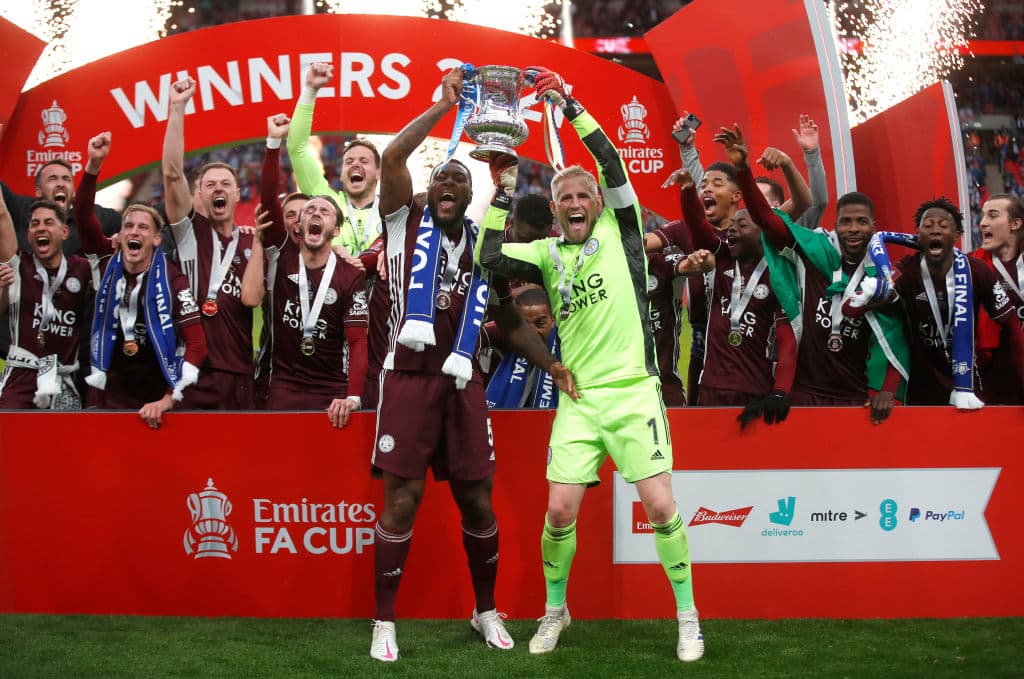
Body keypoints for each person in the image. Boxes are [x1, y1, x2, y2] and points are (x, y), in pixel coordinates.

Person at [478, 68, 704, 662]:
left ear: (598, 204)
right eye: (565, 198)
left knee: (660, 507)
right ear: (554, 211)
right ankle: (556, 612)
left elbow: (609, 160)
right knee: (558, 511)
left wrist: (570, 103)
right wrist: (501, 191)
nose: (575, 202)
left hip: (633, 392)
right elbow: (489, 255)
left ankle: (688, 617)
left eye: (583, 195)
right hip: (579, 400)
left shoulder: (620, 232)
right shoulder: (550, 253)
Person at [368, 67, 573, 662]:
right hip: (407, 379)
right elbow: (392, 158)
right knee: (402, 500)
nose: (450, 183)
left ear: (470, 192)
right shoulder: (404, 223)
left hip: (464, 382)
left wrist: (551, 365)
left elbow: (508, 319)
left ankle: (485, 610)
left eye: (460, 178)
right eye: (442, 178)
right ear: (430, 192)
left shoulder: (488, 244)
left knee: (477, 499)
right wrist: (441, 109)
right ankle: (385, 621)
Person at [714, 125, 909, 425]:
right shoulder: (815, 250)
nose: (853, 229)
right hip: (802, 395)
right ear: (836, 225)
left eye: (861, 222)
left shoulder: (881, 275)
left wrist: (888, 390)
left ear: (874, 226)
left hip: (853, 398)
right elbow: (766, 218)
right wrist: (742, 168)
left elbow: (895, 335)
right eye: (845, 222)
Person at [74, 132, 207, 428]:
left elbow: (197, 345)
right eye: (129, 226)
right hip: (106, 395)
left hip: (155, 400)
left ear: (156, 239)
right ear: (119, 237)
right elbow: (82, 216)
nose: (134, 232)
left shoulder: (174, 280)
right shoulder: (107, 262)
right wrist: (93, 165)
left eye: (143, 227)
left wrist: (168, 398)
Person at [242, 115, 368, 424]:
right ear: (298, 225)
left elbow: (358, 341)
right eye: (309, 210)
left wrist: (352, 396)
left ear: (335, 230)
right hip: (283, 386)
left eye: (324, 211)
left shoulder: (350, 274)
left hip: (332, 390)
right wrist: (273, 145)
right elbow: (270, 199)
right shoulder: (283, 254)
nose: (315, 213)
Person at [664, 166, 797, 423]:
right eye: (732, 225)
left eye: (742, 225)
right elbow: (698, 226)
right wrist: (688, 190)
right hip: (711, 386)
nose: (732, 230)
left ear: (761, 232)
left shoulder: (778, 275)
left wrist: (780, 391)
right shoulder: (722, 257)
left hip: (756, 387)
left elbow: (786, 339)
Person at [869, 198, 1024, 408]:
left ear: (956, 236)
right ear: (919, 234)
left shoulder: (977, 271)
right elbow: (888, 327)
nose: (935, 231)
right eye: (928, 225)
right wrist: (869, 294)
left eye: (943, 226)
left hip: (968, 385)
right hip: (921, 387)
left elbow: (1013, 327)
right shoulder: (906, 271)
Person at [162, 77, 256, 410]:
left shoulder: (253, 241)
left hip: (241, 371)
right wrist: (177, 108)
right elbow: (172, 174)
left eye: (226, 184)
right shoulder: (190, 233)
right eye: (210, 184)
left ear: (237, 193)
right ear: (199, 195)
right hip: (191, 370)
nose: (218, 188)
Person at [0, 192, 91, 409]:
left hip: (63, 381)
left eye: (49, 222)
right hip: (21, 378)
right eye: (35, 224)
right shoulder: (19, 266)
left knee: (63, 443)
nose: (41, 228)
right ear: (29, 234)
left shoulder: (83, 269)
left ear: (64, 231)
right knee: (10, 441)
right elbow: (2, 213)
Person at [288, 62, 382, 257]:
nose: (355, 164)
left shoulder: (391, 211)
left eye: (364, 161)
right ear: (341, 173)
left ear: (378, 172)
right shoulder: (327, 201)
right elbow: (296, 149)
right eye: (349, 162)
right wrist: (310, 90)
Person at [972, 193, 1024, 403]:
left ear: (1015, 224)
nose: (983, 223)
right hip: (992, 384)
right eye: (983, 216)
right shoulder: (971, 267)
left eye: (992, 216)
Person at [484, 287, 560, 409]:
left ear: (553, 319)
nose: (533, 332)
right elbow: (471, 336)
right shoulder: (507, 331)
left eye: (540, 323)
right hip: (505, 421)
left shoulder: (565, 339)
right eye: (524, 325)